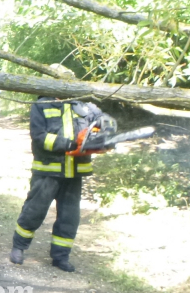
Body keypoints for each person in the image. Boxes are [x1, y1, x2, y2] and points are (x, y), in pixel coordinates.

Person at [9, 70, 113, 272]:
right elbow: (40, 137)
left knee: (69, 217)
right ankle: (19, 246)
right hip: (48, 170)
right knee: (34, 211)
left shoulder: (84, 107)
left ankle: (61, 256)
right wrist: (71, 143)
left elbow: (103, 120)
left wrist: (105, 132)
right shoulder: (42, 105)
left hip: (74, 172)